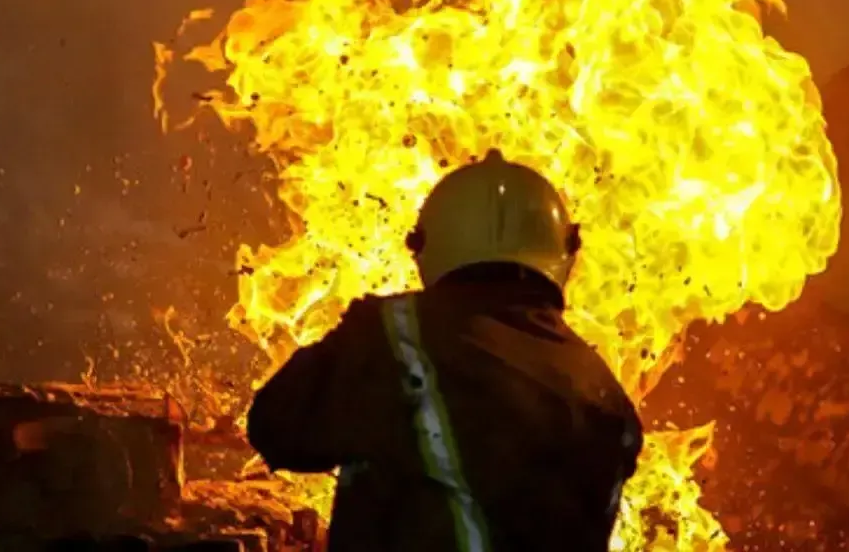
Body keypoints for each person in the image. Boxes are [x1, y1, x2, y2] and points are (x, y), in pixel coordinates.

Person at [246, 149, 643, 551]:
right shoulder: (603, 392)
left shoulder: (392, 333)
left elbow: (276, 427)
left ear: (425, 245)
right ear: (565, 252)